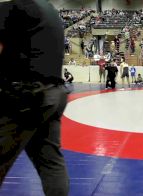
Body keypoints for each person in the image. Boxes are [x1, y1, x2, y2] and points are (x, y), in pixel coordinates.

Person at [0, 1, 69, 195]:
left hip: (25, 96)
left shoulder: (12, 8)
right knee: (50, 163)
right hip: (53, 95)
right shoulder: (49, 10)